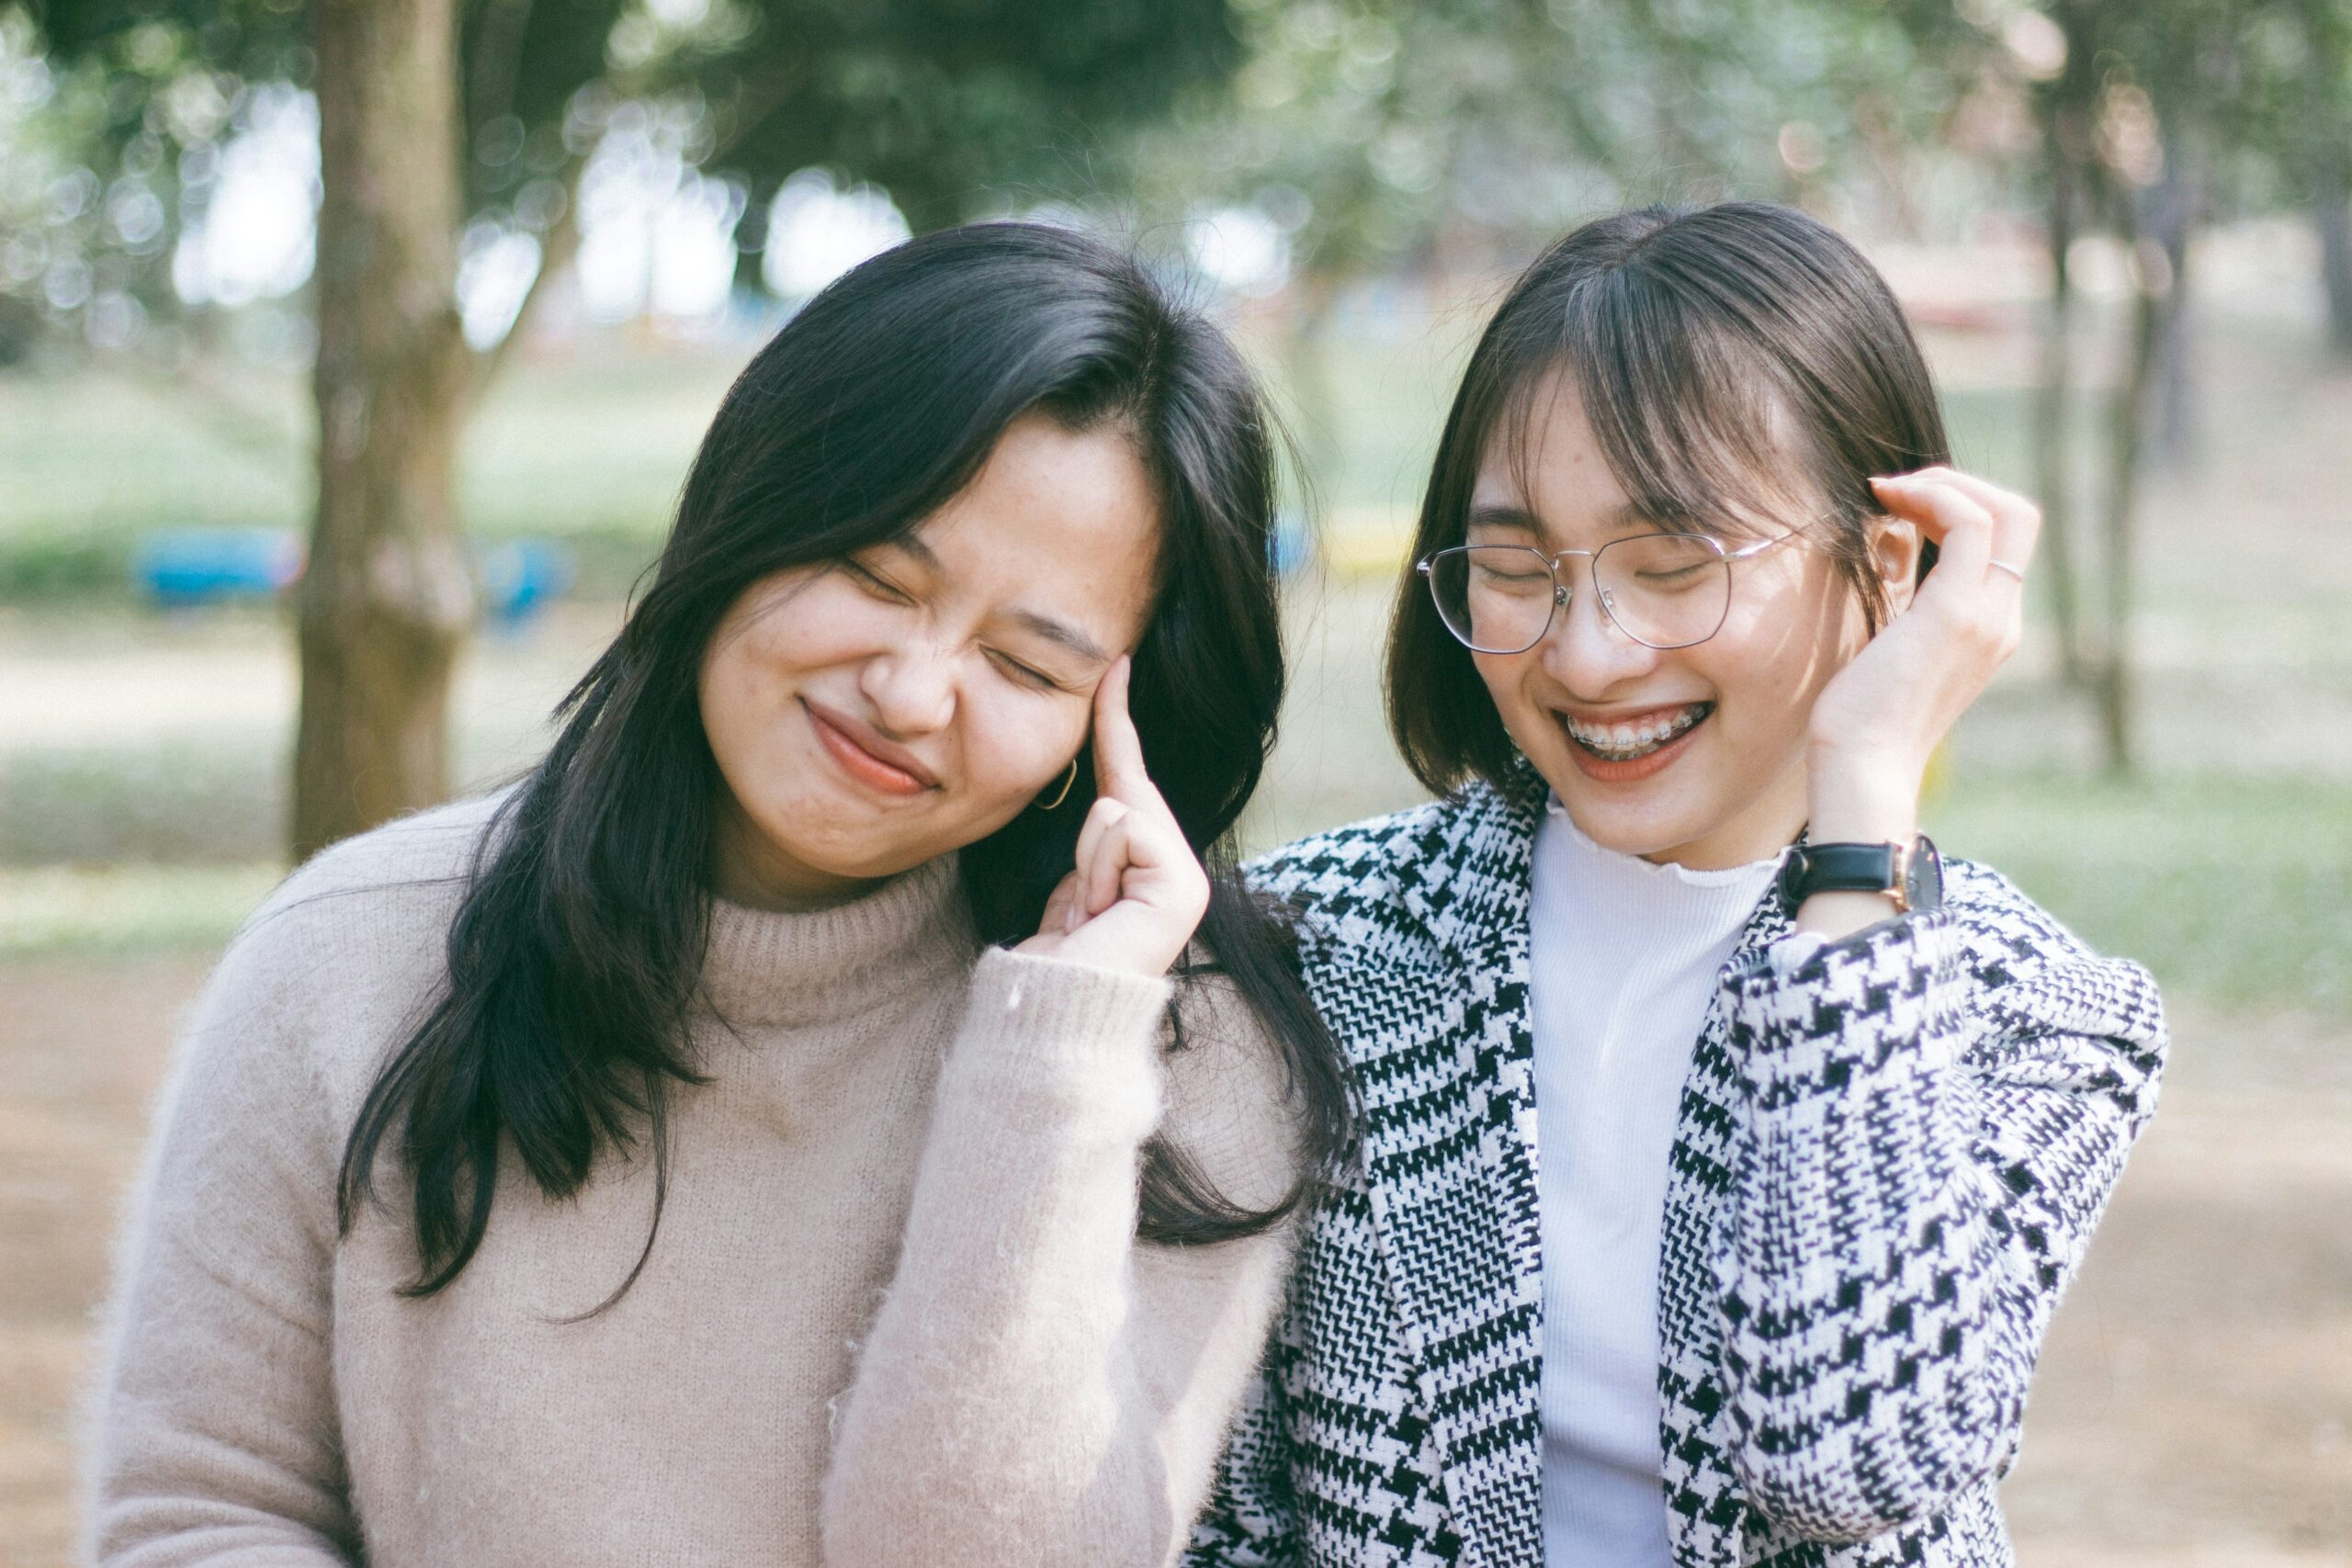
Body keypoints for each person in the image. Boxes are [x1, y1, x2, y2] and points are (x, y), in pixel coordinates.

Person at [85, 220, 1351, 1568]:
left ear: (1117, 724)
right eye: (875, 574)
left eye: (1029, 668)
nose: (912, 696)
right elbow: (199, 1518)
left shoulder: (1177, 1050)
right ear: (749, 512)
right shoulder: (350, 958)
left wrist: (1055, 1052)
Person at [1188, 202, 2167, 1567]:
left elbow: (1853, 1459)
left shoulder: (2039, 1015)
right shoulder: (1308, 951)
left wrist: (1867, 790)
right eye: (1520, 571)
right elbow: (1218, 1518)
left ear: (1884, 568)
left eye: (1673, 567)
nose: (1587, 658)